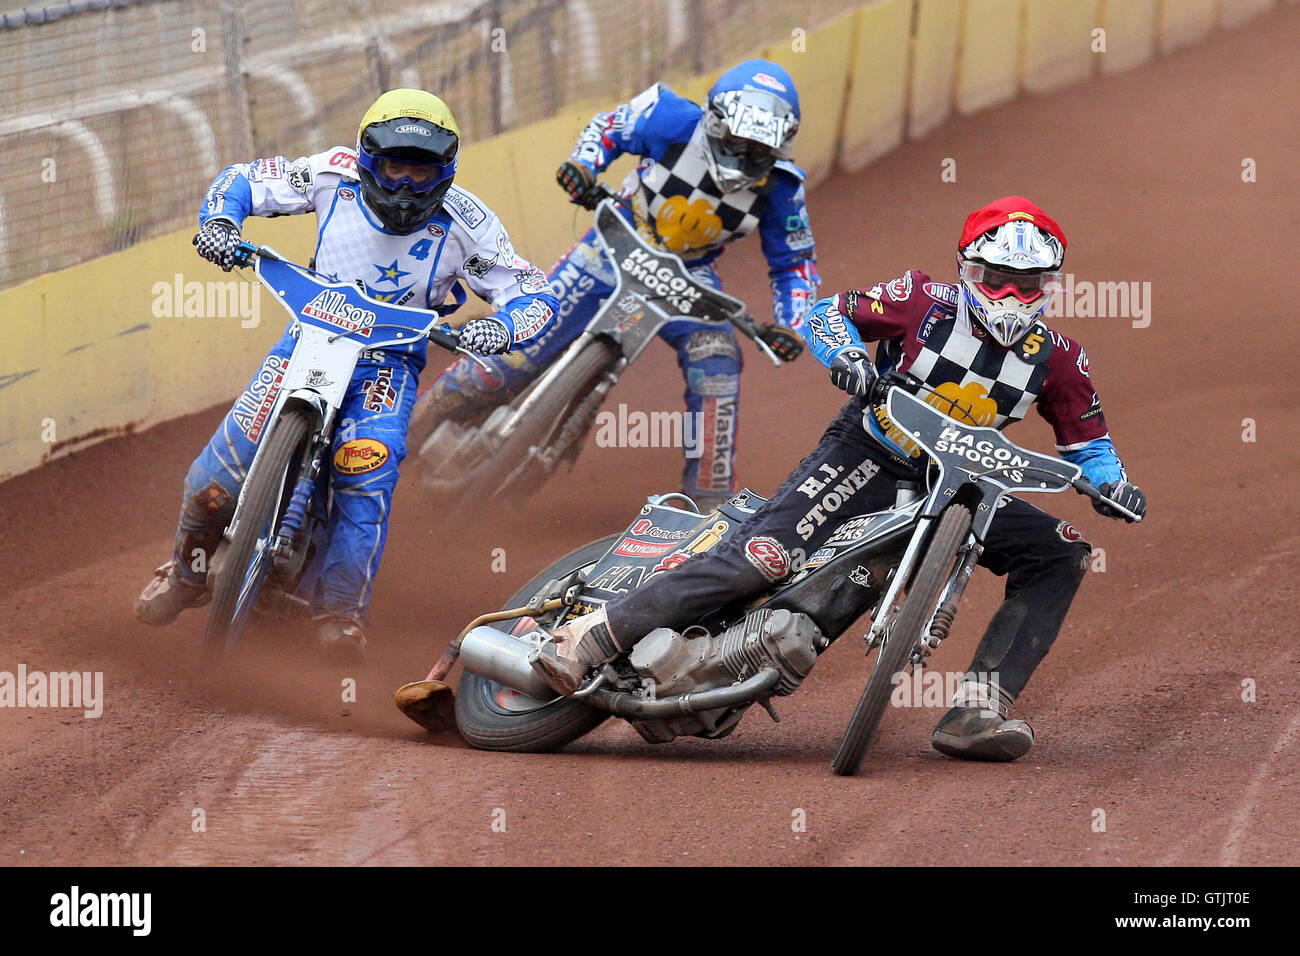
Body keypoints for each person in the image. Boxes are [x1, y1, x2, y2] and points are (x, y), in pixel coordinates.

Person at [529, 196, 1147, 761]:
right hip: (871, 452)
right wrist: (848, 358)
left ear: (1050, 285)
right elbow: (830, 314)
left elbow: (1087, 439)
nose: (1012, 296)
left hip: (966, 483)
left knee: (1060, 552)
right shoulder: (921, 300)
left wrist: (1111, 484)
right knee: (765, 558)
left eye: (1030, 282)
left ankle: (980, 710)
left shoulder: (1060, 358)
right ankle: (592, 635)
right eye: (997, 279)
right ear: (968, 269)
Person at [134, 90, 561, 661]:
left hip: (388, 363)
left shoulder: (469, 222)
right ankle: (185, 576)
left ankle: (340, 615)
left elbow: (533, 293)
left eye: (422, 173)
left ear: (447, 171)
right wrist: (220, 222)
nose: (407, 187)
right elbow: (244, 178)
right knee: (214, 479)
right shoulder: (330, 174)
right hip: (308, 338)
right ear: (366, 160)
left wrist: (498, 330)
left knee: (367, 469)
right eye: (394, 169)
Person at [415, 59, 820, 510]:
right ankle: (415, 424)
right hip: (614, 241)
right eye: (736, 143)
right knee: (520, 344)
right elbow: (608, 126)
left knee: (719, 364)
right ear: (714, 121)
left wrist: (793, 324)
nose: (743, 158)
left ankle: (708, 501)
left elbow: (796, 265)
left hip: (689, 275)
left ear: (780, 148)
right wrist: (584, 167)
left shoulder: (783, 189)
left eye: (758, 151)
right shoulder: (671, 116)